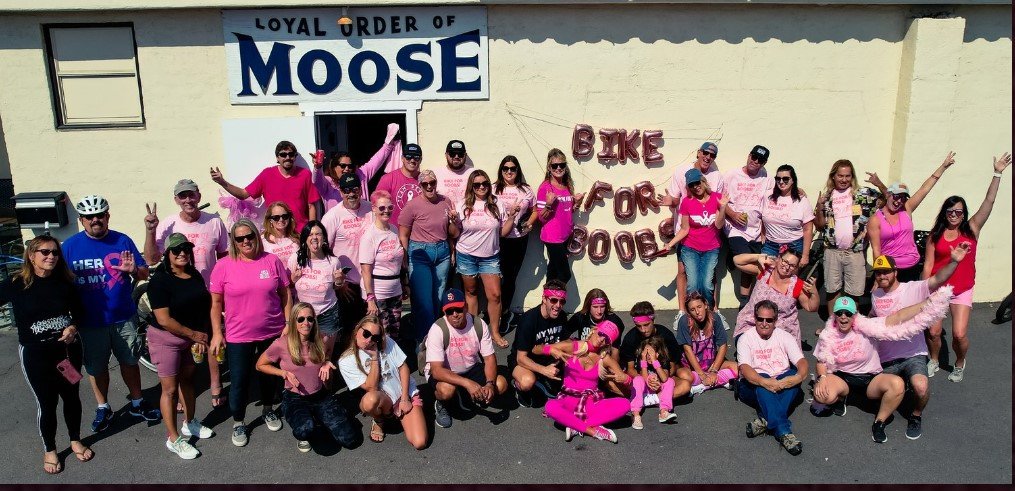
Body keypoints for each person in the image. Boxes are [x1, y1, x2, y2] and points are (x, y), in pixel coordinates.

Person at [63, 194, 160, 433]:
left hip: (123, 317)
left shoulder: (122, 240)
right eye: (90, 217)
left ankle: (137, 402)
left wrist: (134, 270)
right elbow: (60, 282)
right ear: (82, 220)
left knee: (129, 362)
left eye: (100, 215)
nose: (95, 220)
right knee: (96, 368)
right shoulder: (69, 246)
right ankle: (103, 406)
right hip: (89, 322)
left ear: (107, 216)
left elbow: (144, 273)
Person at [812, 290, 953, 443]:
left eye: (848, 313)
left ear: (855, 315)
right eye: (839, 313)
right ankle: (841, 397)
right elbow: (821, 361)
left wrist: (928, 303)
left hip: (870, 380)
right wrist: (822, 378)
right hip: (843, 378)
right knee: (822, 395)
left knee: (897, 385)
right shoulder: (828, 334)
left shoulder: (868, 326)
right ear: (834, 316)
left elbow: (898, 317)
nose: (844, 317)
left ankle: (879, 422)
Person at [4, 236, 92, 474]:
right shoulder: (16, 283)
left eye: (54, 252)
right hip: (36, 355)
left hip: (68, 352)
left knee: (72, 397)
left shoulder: (65, 282)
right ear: (31, 255)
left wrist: (73, 327)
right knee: (47, 403)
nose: (51, 256)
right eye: (44, 252)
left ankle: (75, 439)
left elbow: (81, 313)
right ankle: (50, 449)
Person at [924, 152, 1011, 382]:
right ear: (945, 213)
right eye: (950, 211)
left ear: (964, 214)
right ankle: (934, 359)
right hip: (938, 288)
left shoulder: (972, 229)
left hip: (962, 289)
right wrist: (923, 290)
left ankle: (960, 362)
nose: (954, 215)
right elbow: (929, 264)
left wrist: (997, 173)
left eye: (958, 212)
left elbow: (989, 202)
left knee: (959, 335)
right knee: (933, 332)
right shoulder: (936, 235)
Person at [142, 179, 229, 408]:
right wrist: (151, 230)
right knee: (181, 343)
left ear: (199, 196)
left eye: (191, 195)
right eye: (183, 196)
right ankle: (181, 394)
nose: (188, 200)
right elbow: (151, 259)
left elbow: (225, 256)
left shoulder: (214, 222)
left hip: (209, 292)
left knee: (211, 338)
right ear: (176, 200)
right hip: (179, 294)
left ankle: (216, 386)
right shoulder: (168, 224)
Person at [209, 218, 292, 447]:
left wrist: (287, 323)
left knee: (268, 375)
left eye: (250, 236)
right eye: (240, 238)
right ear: (234, 242)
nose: (246, 241)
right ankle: (238, 422)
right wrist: (217, 333)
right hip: (238, 335)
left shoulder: (271, 261)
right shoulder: (223, 265)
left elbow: (285, 294)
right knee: (239, 380)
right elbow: (216, 303)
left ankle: (267, 409)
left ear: (257, 236)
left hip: (272, 331)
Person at [870, 247, 967, 440]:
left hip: (913, 353)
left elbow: (937, 279)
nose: (882, 276)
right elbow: (873, 318)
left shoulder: (913, 288)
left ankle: (915, 415)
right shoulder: (876, 295)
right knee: (875, 395)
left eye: (886, 271)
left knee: (921, 387)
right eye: (878, 272)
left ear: (895, 272)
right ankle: (899, 387)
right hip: (886, 356)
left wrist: (954, 261)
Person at [145, 233, 215, 459]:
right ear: (167, 254)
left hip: (191, 338)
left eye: (186, 248)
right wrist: (194, 334)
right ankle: (173, 438)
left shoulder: (194, 274)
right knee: (170, 389)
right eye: (177, 250)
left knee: (187, 380)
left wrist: (201, 335)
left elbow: (203, 305)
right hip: (166, 339)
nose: (182, 253)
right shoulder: (159, 280)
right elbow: (164, 319)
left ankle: (190, 422)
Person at [256, 303, 357, 453]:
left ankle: (320, 417)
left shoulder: (321, 339)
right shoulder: (281, 343)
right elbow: (260, 365)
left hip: (320, 395)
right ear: (293, 321)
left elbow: (328, 353)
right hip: (295, 397)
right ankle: (309, 423)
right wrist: (283, 373)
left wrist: (327, 362)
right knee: (305, 431)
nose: (306, 323)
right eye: (301, 319)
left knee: (350, 440)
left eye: (310, 319)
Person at [449, 169, 517, 348]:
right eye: (477, 184)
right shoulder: (462, 205)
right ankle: (472, 331)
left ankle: (494, 332)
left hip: (490, 257)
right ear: (472, 186)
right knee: (470, 293)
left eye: (485, 183)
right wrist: (452, 221)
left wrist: (512, 217)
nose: (481, 187)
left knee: (494, 295)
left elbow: (502, 232)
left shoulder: (496, 203)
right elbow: (455, 233)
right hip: (467, 255)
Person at [424, 288, 509, 429]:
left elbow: (489, 359)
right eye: (449, 311)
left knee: (500, 384)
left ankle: (466, 393)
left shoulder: (478, 324)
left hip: (470, 367)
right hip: (445, 370)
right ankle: (441, 403)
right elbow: (436, 371)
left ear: (466, 307)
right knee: (446, 391)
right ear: (444, 313)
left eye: (458, 309)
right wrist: (468, 383)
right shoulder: (437, 329)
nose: (455, 315)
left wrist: (489, 384)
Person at [338, 315, 427, 449]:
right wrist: (374, 357)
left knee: (420, 443)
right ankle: (379, 420)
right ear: (357, 330)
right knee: (369, 401)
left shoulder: (386, 342)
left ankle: (399, 414)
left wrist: (404, 399)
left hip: (403, 394)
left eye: (375, 337)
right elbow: (371, 387)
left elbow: (404, 368)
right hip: (382, 400)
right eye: (366, 334)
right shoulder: (346, 361)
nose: (370, 340)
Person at [533, 321, 629, 443]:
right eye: (600, 334)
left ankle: (575, 425)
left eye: (606, 340)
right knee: (550, 406)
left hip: (591, 403)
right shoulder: (573, 346)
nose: (601, 340)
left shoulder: (605, 358)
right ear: (594, 330)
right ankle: (593, 431)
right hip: (567, 401)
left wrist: (626, 379)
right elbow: (536, 349)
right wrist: (552, 349)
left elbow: (627, 381)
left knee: (625, 404)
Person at [735, 300, 808, 456]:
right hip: (752, 385)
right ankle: (783, 431)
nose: (764, 323)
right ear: (755, 319)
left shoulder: (785, 336)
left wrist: (799, 376)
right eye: (760, 319)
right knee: (762, 381)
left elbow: (801, 362)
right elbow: (746, 369)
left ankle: (765, 420)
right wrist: (765, 382)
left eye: (769, 320)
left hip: (780, 380)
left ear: (776, 321)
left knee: (791, 378)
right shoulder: (745, 338)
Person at [660, 142, 726, 315]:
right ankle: (686, 313)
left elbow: (720, 218)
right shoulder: (687, 198)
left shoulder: (717, 181)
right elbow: (682, 223)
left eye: (712, 155)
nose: (708, 157)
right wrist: (671, 202)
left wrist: (725, 208)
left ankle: (712, 312)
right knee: (689, 278)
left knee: (708, 280)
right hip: (689, 241)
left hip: (711, 243)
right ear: (698, 153)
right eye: (705, 153)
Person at [869, 152, 956, 282]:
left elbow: (924, 189)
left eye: (903, 198)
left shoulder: (906, 209)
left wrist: (943, 167)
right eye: (896, 196)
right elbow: (876, 251)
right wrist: (879, 275)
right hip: (890, 269)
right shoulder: (876, 219)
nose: (899, 201)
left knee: (911, 302)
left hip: (912, 267)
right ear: (888, 195)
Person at [812, 159, 883, 320]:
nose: (844, 180)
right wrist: (820, 207)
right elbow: (820, 225)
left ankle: (852, 324)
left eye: (847, 176)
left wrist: (879, 184)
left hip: (855, 251)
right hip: (832, 250)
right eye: (840, 176)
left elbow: (887, 200)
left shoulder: (862, 194)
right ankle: (833, 325)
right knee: (832, 290)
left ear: (852, 177)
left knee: (855, 291)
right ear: (833, 176)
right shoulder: (828, 196)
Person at [399, 169, 456, 341]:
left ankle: (425, 335)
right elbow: (403, 234)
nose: (430, 186)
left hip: (443, 253)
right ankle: (427, 342)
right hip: (420, 253)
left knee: (437, 298)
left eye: (433, 183)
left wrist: (452, 250)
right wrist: (405, 259)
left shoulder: (446, 201)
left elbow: (451, 232)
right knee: (424, 301)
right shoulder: (412, 205)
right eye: (426, 184)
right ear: (420, 186)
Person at [210, 140, 320, 231]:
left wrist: (311, 231)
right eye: (283, 154)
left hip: (300, 232)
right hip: (275, 234)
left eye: (291, 154)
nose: (287, 157)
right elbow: (243, 194)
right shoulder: (267, 175)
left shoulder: (305, 174)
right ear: (277, 158)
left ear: (295, 157)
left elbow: (311, 206)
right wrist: (222, 182)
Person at [732, 248, 819, 345]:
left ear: (796, 268)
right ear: (778, 258)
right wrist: (758, 257)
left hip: (780, 331)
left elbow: (811, 307)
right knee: (747, 345)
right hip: (752, 323)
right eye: (785, 261)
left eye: (792, 266)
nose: (786, 267)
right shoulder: (764, 270)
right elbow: (737, 261)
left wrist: (814, 293)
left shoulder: (797, 284)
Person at [321, 173, 373, 333]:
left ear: (360, 190)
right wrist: (338, 284)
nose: (351, 194)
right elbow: (323, 252)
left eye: (355, 189)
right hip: (347, 286)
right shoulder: (332, 217)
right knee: (349, 332)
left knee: (369, 331)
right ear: (341, 192)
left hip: (370, 282)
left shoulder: (371, 208)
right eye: (346, 190)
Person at [510, 279, 571, 407]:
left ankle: (542, 379)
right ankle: (517, 385)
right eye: (553, 300)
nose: (558, 305)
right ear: (544, 298)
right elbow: (521, 358)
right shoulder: (529, 320)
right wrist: (544, 370)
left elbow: (565, 343)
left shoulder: (562, 316)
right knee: (527, 382)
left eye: (562, 301)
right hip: (524, 361)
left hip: (548, 359)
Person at [723, 145, 772, 306]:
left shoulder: (766, 177)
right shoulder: (732, 175)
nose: (755, 162)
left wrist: (797, 190)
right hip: (735, 229)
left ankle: (746, 301)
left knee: (748, 271)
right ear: (749, 156)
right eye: (754, 157)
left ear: (764, 163)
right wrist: (733, 215)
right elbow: (719, 200)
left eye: (760, 160)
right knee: (741, 258)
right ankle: (772, 277)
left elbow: (776, 194)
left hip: (756, 230)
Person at [618, 301, 691, 410]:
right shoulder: (630, 339)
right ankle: (661, 398)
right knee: (614, 385)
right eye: (639, 326)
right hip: (641, 380)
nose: (643, 330)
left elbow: (672, 366)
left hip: (662, 377)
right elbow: (630, 369)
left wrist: (658, 379)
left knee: (685, 385)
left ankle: (647, 400)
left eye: (646, 325)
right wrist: (647, 380)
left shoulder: (666, 335)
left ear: (653, 320)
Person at [311, 123, 400, 208]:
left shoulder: (360, 175)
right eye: (342, 165)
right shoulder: (328, 183)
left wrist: (389, 143)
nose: (347, 169)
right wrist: (318, 167)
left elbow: (377, 160)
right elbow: (316, 180)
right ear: (334, 166)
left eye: (350, 166)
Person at [359, 190, 408, 343]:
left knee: (395, 334)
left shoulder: (394, 230)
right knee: (381, 335)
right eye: (381, 208)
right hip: (378, 293)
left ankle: (393, 365)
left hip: (395, 291)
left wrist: (404, 283)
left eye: (389, 207)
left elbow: (400, 262)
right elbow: (366, 270)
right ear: (374, 208)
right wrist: (370, 298)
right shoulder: (370, 236)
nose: (386, 211)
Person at [529, 149, 585, 285]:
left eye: (562, 165)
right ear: (549, 168)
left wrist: (576, 204)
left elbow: (565, 212)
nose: (558, 168)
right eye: (555, 166)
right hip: (553, 237)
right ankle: (555, 301)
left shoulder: (566, 185)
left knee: (553, 272)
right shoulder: (545, 188)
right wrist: (548, 204)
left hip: (565, 236)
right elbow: (541, 219)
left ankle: (547, 304)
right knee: (564, 275)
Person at [492, 155, 535, 327]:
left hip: (518, 240)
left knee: (510, 278)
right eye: (505, 168)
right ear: (501, 171)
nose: (509, 172)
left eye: (512, 168)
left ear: (517, 171)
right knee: (495, 278)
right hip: (497, 239)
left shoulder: (526, 189)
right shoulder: (494, 188)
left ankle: (504, 313)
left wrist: (529, 223)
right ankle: (494, 311)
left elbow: (535, 210)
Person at [674, 292, 739, 396]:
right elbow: (687, 349)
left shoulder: (715, 318)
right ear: (689, 312)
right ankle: (720, 381)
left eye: (699, 307)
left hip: (711, 363)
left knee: (738, 368)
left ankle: (700, 387)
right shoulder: (684, 321)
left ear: (705, 305)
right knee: (684, 376)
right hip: (692, 367)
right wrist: (701, 374)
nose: (697, 312)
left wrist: (714, 371)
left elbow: (723, 345)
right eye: (692, 309)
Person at [288, 221, 343, 338]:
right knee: (303, 352)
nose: (314, 237)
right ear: (304, 239)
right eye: (310, 234)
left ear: (324, 238)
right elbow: (288, 288)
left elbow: (336, 287)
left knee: (325, 353)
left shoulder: (333, 262)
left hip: (327, 314)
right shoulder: (295, 259)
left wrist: (339, 281)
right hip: (303, 316)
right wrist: (293, 279)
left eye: (318, 234)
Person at [760, 164, 813, 264]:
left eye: (785, 179)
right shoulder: (768, 195)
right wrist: (763, 237)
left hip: (794, 246)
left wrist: (805, 256)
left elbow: (808, 229)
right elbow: (763, 217)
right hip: (771, 245)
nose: (781, 182)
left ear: (793, 180)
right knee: (766, 277)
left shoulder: (802, 200)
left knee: (788, 278)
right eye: (778, 179)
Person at [628, 336, 677, 429]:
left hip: (658, 391)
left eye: (651, 353)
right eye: (647, 354)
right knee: (638, 379)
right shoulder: (642, 360)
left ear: (658, 353)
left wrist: (655, 361)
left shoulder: (663, 359)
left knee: (670, 381)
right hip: (645, 391)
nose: (649, 356)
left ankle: (664, 411)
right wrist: (643, 361)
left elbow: (664, 378)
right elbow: (644, 378)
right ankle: (636, 414)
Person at [565, 289, 625, 358]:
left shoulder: (614, 321)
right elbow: (565, 336)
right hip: (583, 355)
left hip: (604, 357)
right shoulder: (580, 317)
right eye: (595, 307)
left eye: (602, 306)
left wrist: (613, 367)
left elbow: (615, 349)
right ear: (588, 306)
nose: (599, 311)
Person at [374, 143, 423, 225]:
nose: (412, 160)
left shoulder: (425, 181)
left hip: (417, 234)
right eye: (408, 157)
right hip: (394, 232)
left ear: (421, 160)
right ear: (402, 158)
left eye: (416, 157)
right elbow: (377, 205)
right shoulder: (388, 179)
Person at [433, 139, 474, 206]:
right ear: (446, 155)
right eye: (452, 154)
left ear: (465, 155)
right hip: (443, 215)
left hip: (468, 215)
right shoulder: (435, 174)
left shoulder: (473, 173)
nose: (456, 156)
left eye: (460, 154)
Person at [261, 201, 300, 268]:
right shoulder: (262, 240)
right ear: (270, 220)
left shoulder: (297, 237)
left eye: (284, 216)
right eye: (276, 217)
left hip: (298, 277)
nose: (281, 220)